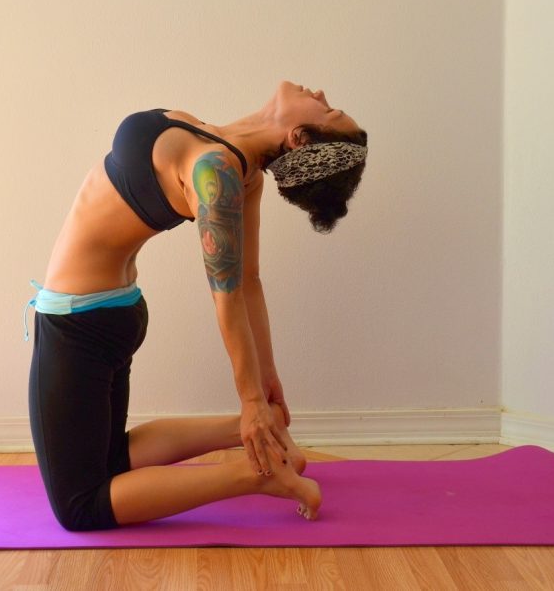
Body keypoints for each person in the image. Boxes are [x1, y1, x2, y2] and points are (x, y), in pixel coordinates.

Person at [25, 81, 368, 531]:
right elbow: (249, 281)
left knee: (79, 506)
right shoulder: (226, 154)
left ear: (299, 137)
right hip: (107, 312)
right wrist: (265, 393)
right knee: (106, 460)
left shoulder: (220, 173)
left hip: (80, 323)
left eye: (329, 110)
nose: (321, 93)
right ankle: (268, 438)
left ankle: (255, 475)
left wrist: (253, 397)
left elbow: (232, 292)